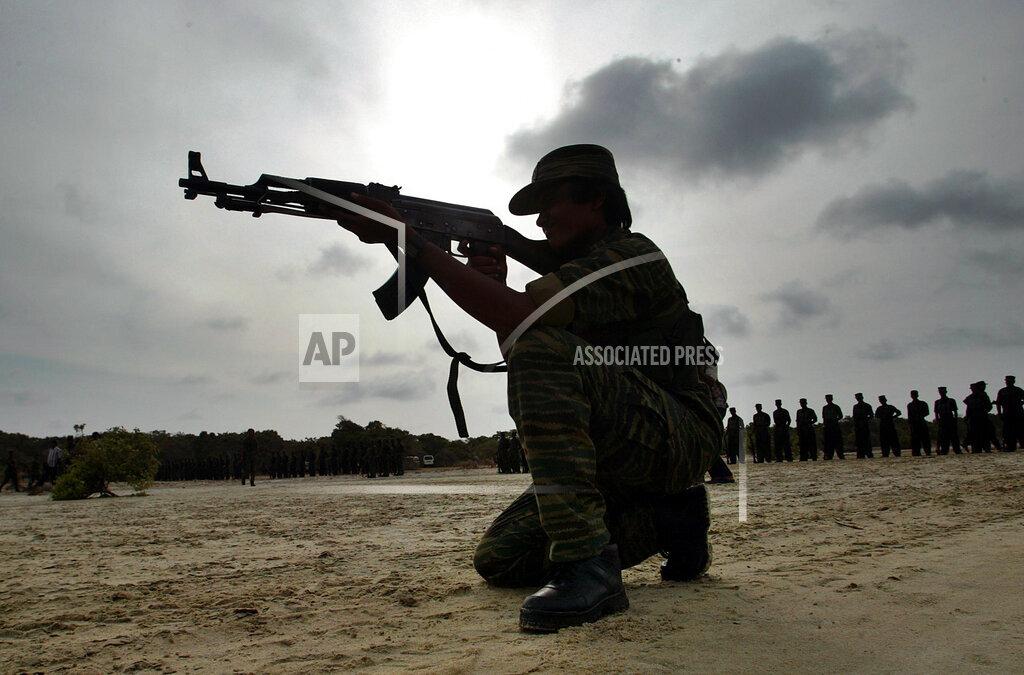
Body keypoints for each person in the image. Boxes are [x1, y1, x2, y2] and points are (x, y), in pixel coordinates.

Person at [335, 144, 722, 632]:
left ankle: (588, 565)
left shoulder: (633, 257)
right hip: (619, 447)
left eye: (550, 204)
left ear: (597, 199)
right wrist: (490, 278)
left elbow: (529, 328)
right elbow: (521, 344)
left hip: (678, 435)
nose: (540, 222)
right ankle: (672, 519)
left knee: (540, 344)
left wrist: (415, 244)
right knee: (502, 559)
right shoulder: (573, 274)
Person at [964, 382, 998, 453]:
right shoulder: (983, 395)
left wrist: (967, 417)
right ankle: (987, 448)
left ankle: (976, 448)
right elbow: (989, 406)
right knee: (987, 433)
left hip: (974, 419)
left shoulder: (970, 397)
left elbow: (968, 409)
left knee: (976, 434)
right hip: (982, 418)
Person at [996, 375, 1023, 452]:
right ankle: (1010, 446)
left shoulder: (1018, 390)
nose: (1008, 382)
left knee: (1019, 430)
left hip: (1018, 414)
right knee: (1008, 431)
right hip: (1008, 414)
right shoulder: (1002, 391)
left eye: (1009, 381)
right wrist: (999, 413)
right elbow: (998, 403)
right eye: (1007, 381)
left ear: (1013, 381)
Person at [934, 386, 962, 455]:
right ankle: (944, 450)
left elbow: (955, 411)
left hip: (950, 419)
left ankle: (957, 450)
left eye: (943, 392)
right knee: (943, 437)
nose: (941, 393)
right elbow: (936, 413)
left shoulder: (951, 400)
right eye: (940, 392)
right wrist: (938, 421)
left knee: (954, 437)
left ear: (946, 392)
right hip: (942, 421)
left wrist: (955, 420)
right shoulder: (937, 402)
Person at [906, 391, 931, 456]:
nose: (913, 396)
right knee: (915, 440)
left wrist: (919, 416)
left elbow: (927, 412)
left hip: (921, 423)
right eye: (912, 395)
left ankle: (927, 451)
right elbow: (909, 416)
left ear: (917, 395)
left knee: (925, 439)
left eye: (914, 394)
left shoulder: (923, 403)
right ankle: (916, 452)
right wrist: (910, 425)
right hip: (914, 424)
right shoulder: (910, 405)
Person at [822, 394, 844, 460]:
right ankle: (828, 455)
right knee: (828, 442)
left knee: (838, 441)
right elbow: (824, 417)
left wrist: (835, 419)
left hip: (835, 426)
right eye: (827, 399)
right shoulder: (825, 408)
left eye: (829, 398)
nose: (828, 400)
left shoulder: (836, 407)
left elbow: (840, 416)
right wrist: (825, 425)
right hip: (827, 427)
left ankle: (840, 454)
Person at [852, 393, 874, 459]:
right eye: (857, 397)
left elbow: (871, 415)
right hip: (858, 426)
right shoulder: (855, 406)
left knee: (866, 440)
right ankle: (860, 454)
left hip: (864, 425)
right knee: (859, 441)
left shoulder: (867, 406)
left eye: (859, 397)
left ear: (862, 397)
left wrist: (865, 419)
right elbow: (854, 417)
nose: (858, 398)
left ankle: (868, 453)